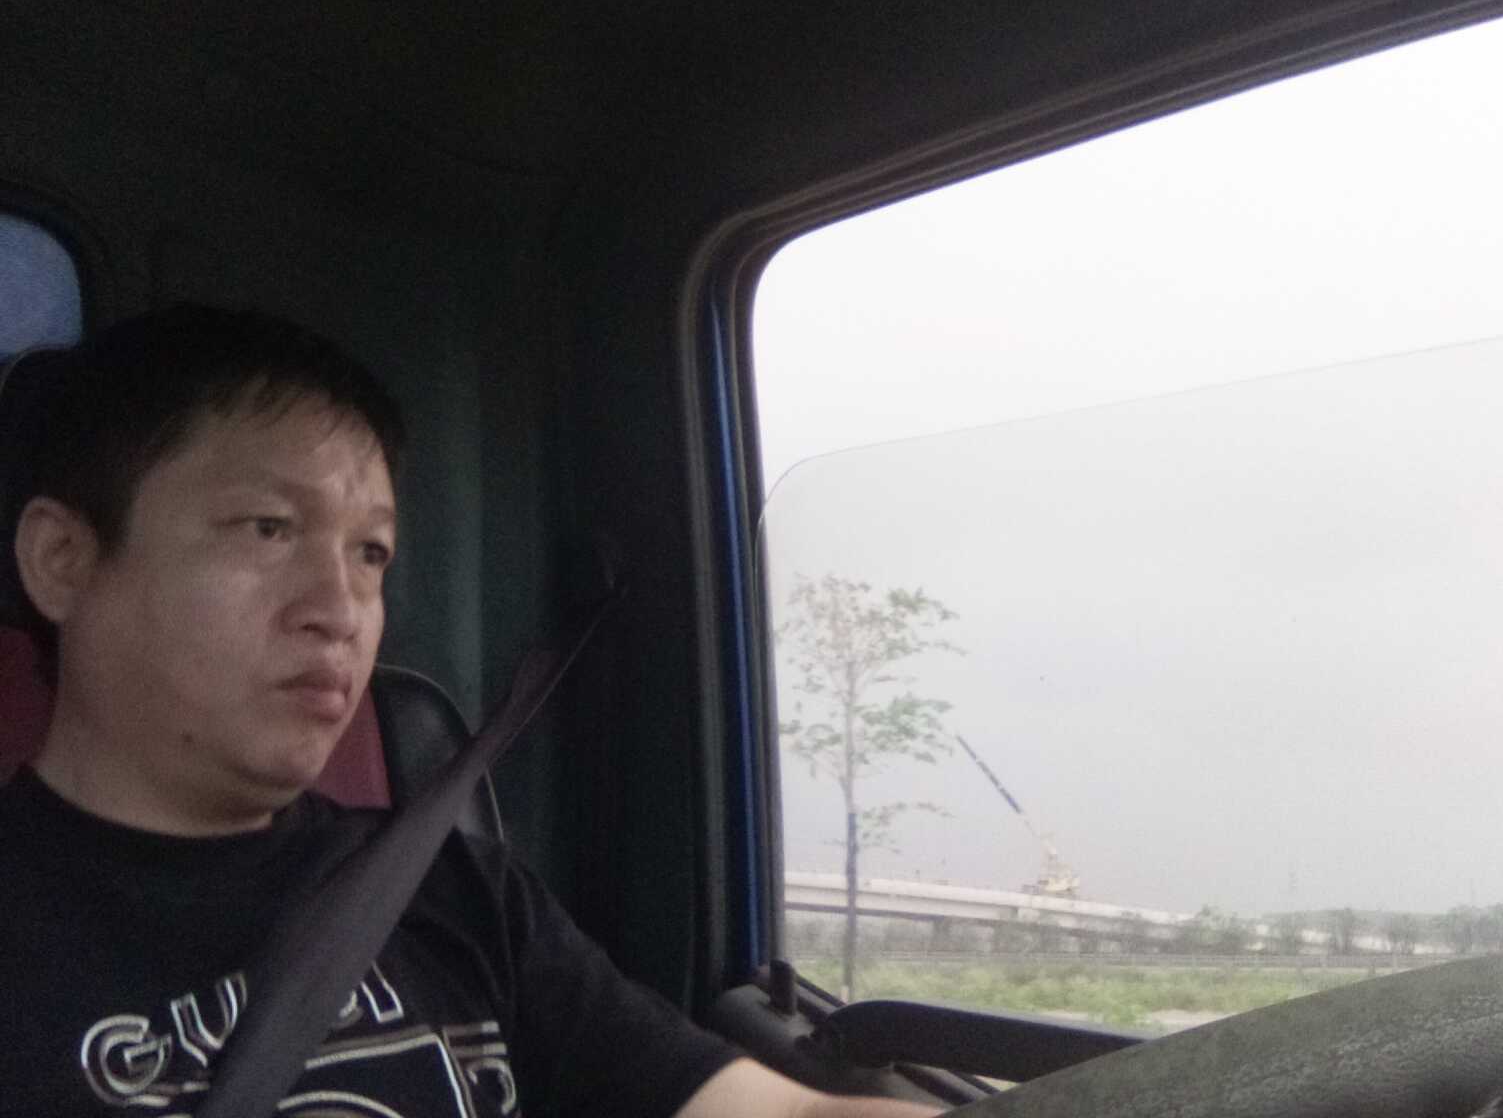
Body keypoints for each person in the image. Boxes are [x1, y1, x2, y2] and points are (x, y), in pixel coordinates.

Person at [0, 305, 940, 1118]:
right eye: (269, 528)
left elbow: (769, 1108)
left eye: (371, 553)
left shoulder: (452, 890)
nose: (341, 610)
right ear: (62, 560)